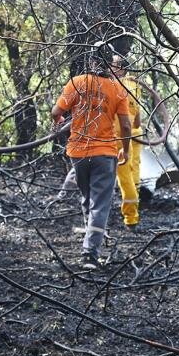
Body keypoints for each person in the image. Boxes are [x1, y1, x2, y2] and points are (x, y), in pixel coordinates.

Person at [52, 54, 132, 270]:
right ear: (109, 65)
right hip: (105, 154)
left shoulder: (76, 83)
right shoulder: (117, 89)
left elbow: (56, 112)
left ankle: (92, 240)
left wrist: (62, 123)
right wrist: (125, 150)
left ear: (92, 62)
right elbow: (125, 126)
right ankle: (90, 254)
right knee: (99, 204)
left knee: (88, 199)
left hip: (78, 153)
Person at [111, 56, 144, 229]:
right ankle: (135, 206)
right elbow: (137, 119)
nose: (110, 67)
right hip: (136, 133)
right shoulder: (134, 85)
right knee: (134, 172)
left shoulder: (116, 86)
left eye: (114, 65)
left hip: (121, 136)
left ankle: (131, 217)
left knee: (124, 178)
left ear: (121, 68)